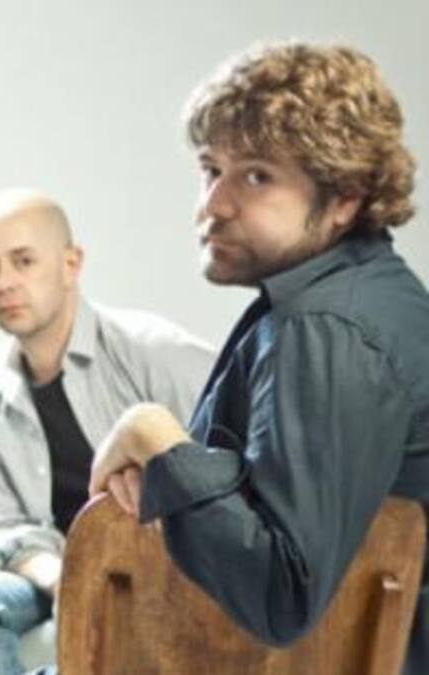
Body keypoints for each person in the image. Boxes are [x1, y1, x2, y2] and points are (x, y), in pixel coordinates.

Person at [88, 42, 429, 674]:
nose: (212, 205)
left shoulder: (326, 331)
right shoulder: (369, 294)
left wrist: (156, 438)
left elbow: (282, 593)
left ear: (346, 197)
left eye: (257, 176)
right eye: (210, 169)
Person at [0, 189, 214, 675]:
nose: (4, 283)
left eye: (23, 261)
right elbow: (3, 528)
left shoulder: (153, 351)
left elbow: (234, 466)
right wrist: (64, 582)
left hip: (159, 569)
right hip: (52, 574)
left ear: (71, 264)